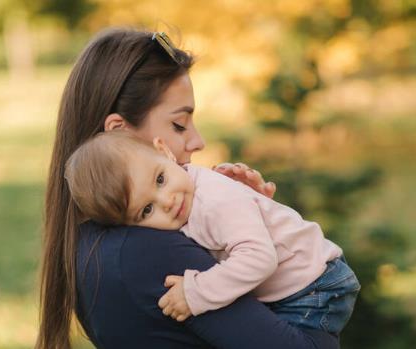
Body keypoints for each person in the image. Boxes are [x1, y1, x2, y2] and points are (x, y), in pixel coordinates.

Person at [36, 27, 341, 349]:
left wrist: (247, 218)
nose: (197, 142)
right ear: (119, 131)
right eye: (178, 125)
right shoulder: (151, 250)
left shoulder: (95, 242)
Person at [64, 130, 360, 336]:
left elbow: (260, 258)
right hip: (293, 284)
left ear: (164, 151)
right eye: (146, 211)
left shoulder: (216, 201)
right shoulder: (187, 200)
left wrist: (197, 292)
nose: (167, 201)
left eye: (160, 179)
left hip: (315, 284)